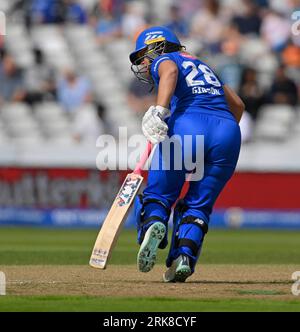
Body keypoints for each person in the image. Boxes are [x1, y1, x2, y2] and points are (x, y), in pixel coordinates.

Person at [129, 26, 244, 282]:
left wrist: (159, 110)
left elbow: (168, 70)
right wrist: (220, 136)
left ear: (156, 47)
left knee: (158, 194)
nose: (143, 64)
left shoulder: (165, 59)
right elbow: (237, 104)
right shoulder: (204, 66)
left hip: (188, 125)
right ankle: (184, 257)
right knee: (198, 205)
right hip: (228, 131)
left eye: (143, 57)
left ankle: (155, 223)